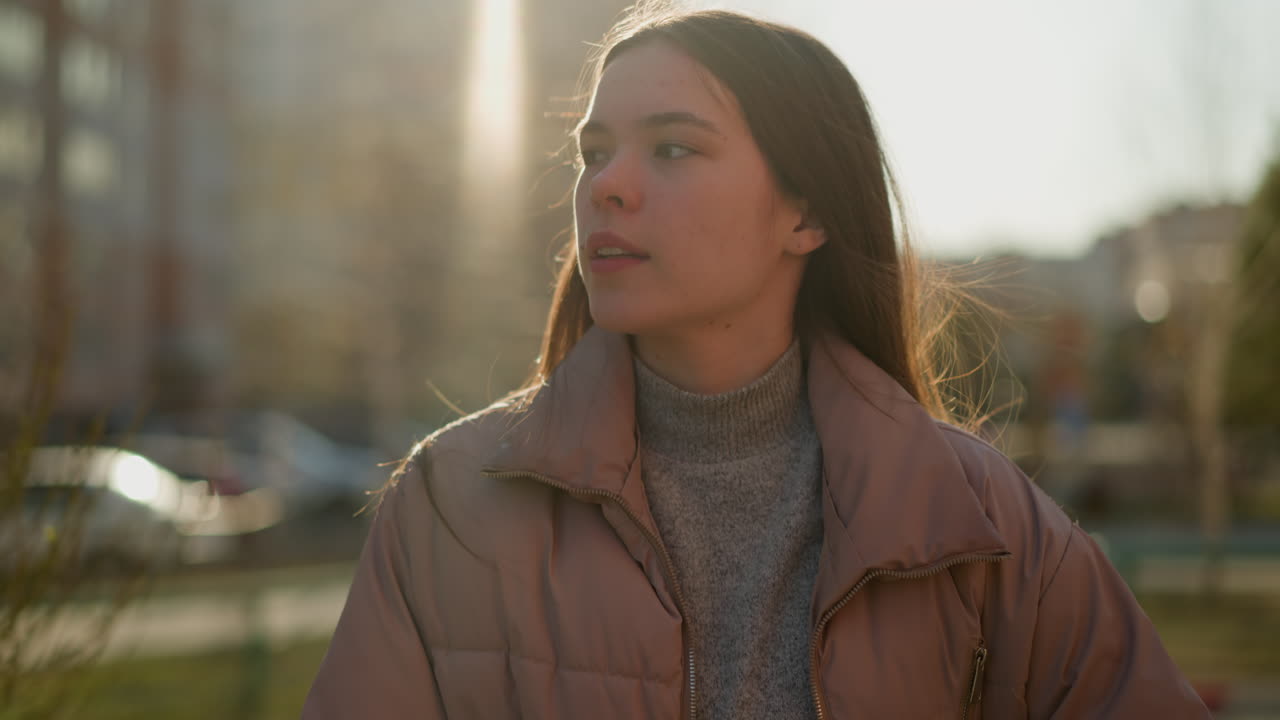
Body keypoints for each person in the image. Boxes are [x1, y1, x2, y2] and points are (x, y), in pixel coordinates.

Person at [302, 6, 1208, 719]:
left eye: (672, 148)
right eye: (594, 152)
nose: (606, 185)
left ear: (805, 216)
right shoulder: (449, 505)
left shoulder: (979, 527)